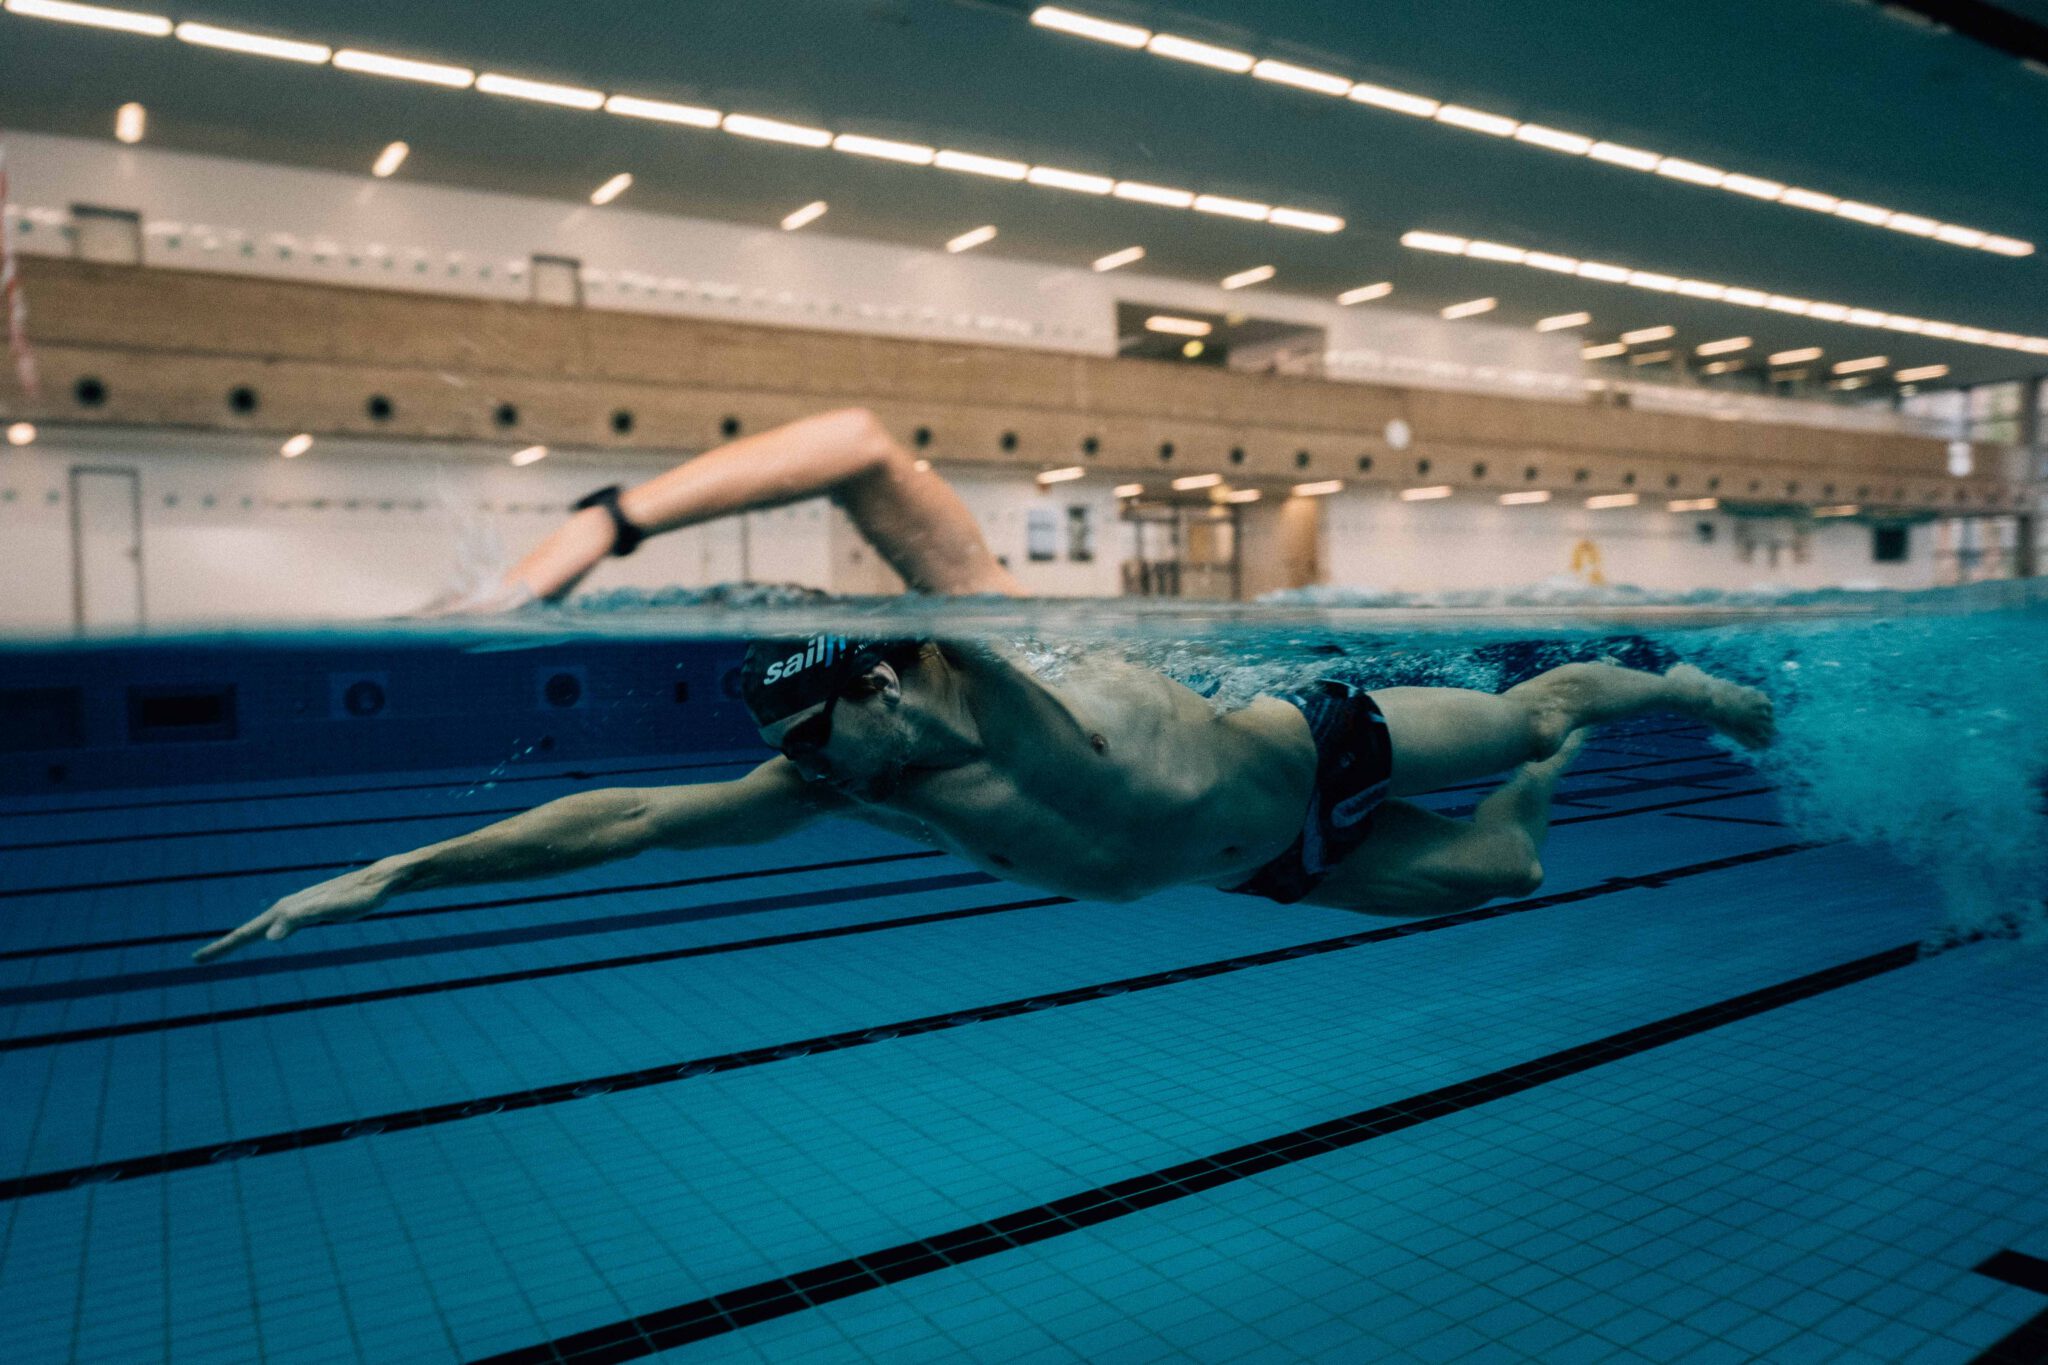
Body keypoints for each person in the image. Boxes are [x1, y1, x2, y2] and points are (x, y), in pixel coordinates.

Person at [194, 409, 1773, 962]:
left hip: (1316, 746)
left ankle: (1685, 689)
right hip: (1267, 867)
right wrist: (387, 871)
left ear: (882, 667)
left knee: (1545, 709)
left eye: (846, 721)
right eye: (818, 748)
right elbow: (604, 822)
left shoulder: (996, 637)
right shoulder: (835, 779)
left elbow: (868, 447)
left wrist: (598, 531)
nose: (852, 759)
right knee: (1511, 860)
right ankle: (1558, 773)